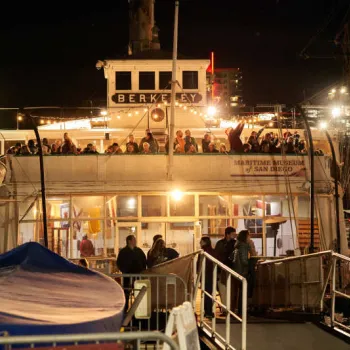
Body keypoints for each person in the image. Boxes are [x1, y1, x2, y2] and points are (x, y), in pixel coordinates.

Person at [117, 235, 147, 313]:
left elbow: (144, 261)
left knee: (138, 292)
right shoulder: (123, 252)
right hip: (127, 275)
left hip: (138, 275)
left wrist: (143, 270)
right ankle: (125, 309)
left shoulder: (138, 251)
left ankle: (139, 309)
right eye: (134, 240)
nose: (135, 241)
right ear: (129, 241)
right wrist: (124, 270)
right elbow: (119, 263)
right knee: (127, 292)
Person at [215, 227, 236, 314]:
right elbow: (217, 256)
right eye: (233, 234)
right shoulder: (221, 243)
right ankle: (225, 308)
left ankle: (229, 308)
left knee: (230, 290)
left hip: (230, 269)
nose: (234, 235)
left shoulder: (233, 243)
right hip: (223, 269)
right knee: (223, 289)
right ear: (227, 234)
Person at [231, 230, 251, 314]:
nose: (250, 237)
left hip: (237, 271)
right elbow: (244, 261)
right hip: (242, 272)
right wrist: (250, 262)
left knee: (237, 292)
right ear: (245, 237)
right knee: (243, 292)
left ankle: (237, 309)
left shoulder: (237, 245)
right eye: (248, 236)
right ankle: (241, 310)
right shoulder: (244, 246)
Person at [197, 236, 216, 318]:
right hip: (211, 274)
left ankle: (207, 311)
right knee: (209, 293)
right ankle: (208, 311)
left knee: (205, 293)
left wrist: (198, 273)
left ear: (205, 242)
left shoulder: (203, 251)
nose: (199, 243)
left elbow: (199, 264)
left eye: (201, 241)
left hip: (205, 274)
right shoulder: (212, 251)